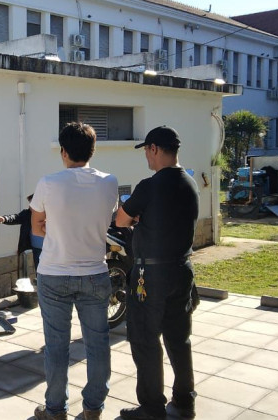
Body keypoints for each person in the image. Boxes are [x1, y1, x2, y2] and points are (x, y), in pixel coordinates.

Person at [30, 122, 119, 420]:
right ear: (93, 151)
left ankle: (55, 410)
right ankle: (93, 408)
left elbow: (36, 228)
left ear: (63, 152)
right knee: (98, 343)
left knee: (56, 346)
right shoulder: (110, 182)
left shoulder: (48, 182)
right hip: (95, 272)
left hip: (54, 273)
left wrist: (56, 225)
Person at [115, 126, 199, 420]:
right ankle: (185, 400)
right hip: (182, 270)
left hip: (150, 276)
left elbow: (121, 218)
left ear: (153, 149)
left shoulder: (149, 186)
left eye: (147, 152)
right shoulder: (189, 183)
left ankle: (152, 407)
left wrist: (138, 217)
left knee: (144, 338)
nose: (146, 159)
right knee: (178, 338)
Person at [0, 194, 43, 275]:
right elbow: (15, 217)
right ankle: (41, 285)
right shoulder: (26, 213)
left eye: (32, 203)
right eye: (30, 203)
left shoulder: (48, 213)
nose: (30, 205)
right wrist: (4, 219)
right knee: (39, 271)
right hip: (36, 248)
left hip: (49, 248)